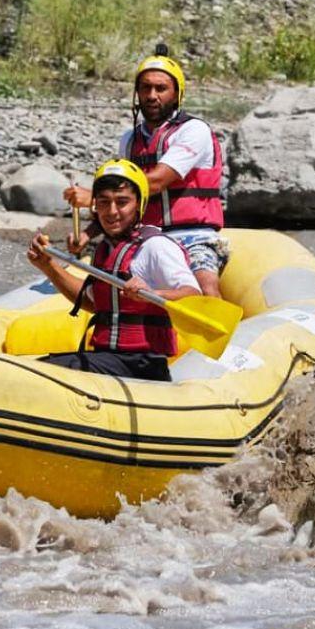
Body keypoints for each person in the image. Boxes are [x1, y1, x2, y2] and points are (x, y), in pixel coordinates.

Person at [64, 46, 227, 297]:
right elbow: (124, 197)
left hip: (193, 236)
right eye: (145, 88)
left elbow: (157, 182)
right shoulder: (130, 140)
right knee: (111, 287)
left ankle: (221, 333)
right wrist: (87, 234)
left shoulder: (194, 131)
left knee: (205, 287)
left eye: (161, 88)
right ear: (137, 93)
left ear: (177, 94)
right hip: (146, 236)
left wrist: (93, 198)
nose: (152, 95)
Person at [28, 159, 200, 380]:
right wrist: (48, 265)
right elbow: (92, 303)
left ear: (139, 204)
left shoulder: (156, 246)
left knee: (47, 371)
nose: (111, 212)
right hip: (108, 359)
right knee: (44, 367)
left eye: (122, 202)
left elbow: (193, 295)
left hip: (143, 365)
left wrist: (153, 295)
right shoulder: (106, 249)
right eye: (104, 202)